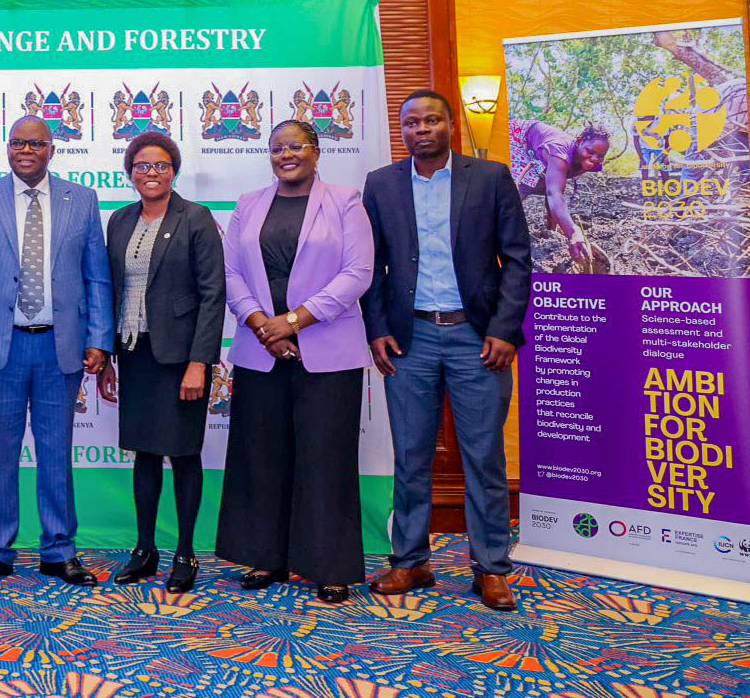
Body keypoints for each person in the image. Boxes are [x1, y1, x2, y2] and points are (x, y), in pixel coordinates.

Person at [363, 91, 532, 612]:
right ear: (402, 131)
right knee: (411, 454)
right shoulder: (382, 184)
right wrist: (376, 330)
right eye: (411, 122)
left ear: (451, 126)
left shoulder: (490, 177)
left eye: (431, 120)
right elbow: (372, 266)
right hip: (408, 339)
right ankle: (410, 561)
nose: (421, 129)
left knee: (482, 456)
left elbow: (518, 259)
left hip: (476, 338)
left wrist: (504, 330)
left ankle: (492, 568)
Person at [0, 116, 112, 587]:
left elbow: (96, 276)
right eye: (18, 142)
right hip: (1, 346)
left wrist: (99, 339)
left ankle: (59, 551)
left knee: (57, 452)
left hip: (60, 347)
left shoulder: (81, 199)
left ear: (51, 149)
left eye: (35, 143)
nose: (26, 150)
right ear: (7, 148)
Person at [215, 119, 374, 604]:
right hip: (260, 351)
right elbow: (231, 271)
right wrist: (263, 324)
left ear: (316, 151)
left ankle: (328, 565)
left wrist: (296, 321)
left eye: (296, 146)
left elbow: (358, 273)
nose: (286, 155)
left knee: (326, 460)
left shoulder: (345, 201)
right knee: (261, 458)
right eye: (277, 148)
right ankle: (268, 557)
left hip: (326, 350)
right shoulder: (249, 204)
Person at [100, 129, 225, 594]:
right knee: (145, 453)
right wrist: (108, 357)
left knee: (184, 453)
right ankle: (145, 548)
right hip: (135, 354)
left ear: (173, 170)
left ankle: (186, 551)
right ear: (130, 172)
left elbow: (213, 295)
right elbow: (110, 290)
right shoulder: (119, 219)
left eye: (160, 166)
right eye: (141, 166)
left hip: (180, 358)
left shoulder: (195, 217)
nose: (151, 173)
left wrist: (199, 362)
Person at [507, 119, 609, 266]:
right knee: (529, 184)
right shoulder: (559, 151)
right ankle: (498, 220)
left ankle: (551, 231)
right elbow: (554, 193)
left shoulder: (587, 161)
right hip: (516, 136)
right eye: (590, 152)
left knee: (551, 182)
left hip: (533, 150)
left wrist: (556, 232)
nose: (594, 158)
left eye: (600, 156)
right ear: (579, 141)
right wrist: (573, 232)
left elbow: (557, 189)